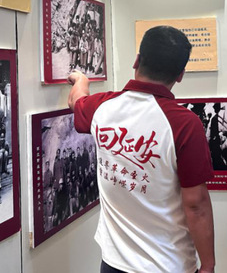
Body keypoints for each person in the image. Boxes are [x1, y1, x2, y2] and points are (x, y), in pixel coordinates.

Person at [67, 25, 215, 273]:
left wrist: (81, 80)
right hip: (168, 264)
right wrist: (208, 265)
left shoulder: (102, 107)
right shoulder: (184, 124)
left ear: (137, 61)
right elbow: (196, 205)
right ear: (180, 75)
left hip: (113, 263)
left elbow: (76, 101)